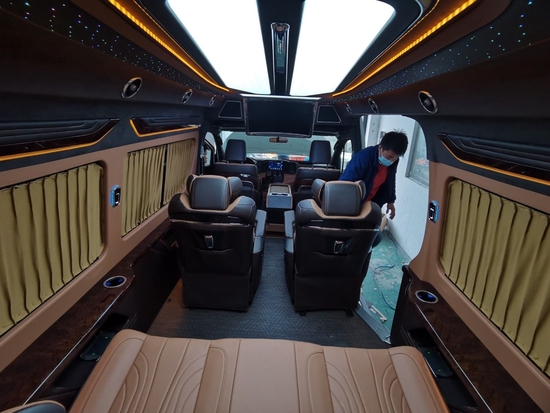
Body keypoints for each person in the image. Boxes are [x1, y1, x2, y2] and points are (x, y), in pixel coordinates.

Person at [339, 131, 408, 245]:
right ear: (380, 147)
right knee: (353, 239)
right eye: (390, 156)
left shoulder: (393, 161)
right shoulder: (363, 158)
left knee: (373, 238)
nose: (392, 160)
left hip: (371, 204)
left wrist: (391, 201)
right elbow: (345, 184)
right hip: (352, 206)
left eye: (396, 158)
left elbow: (391, 180)